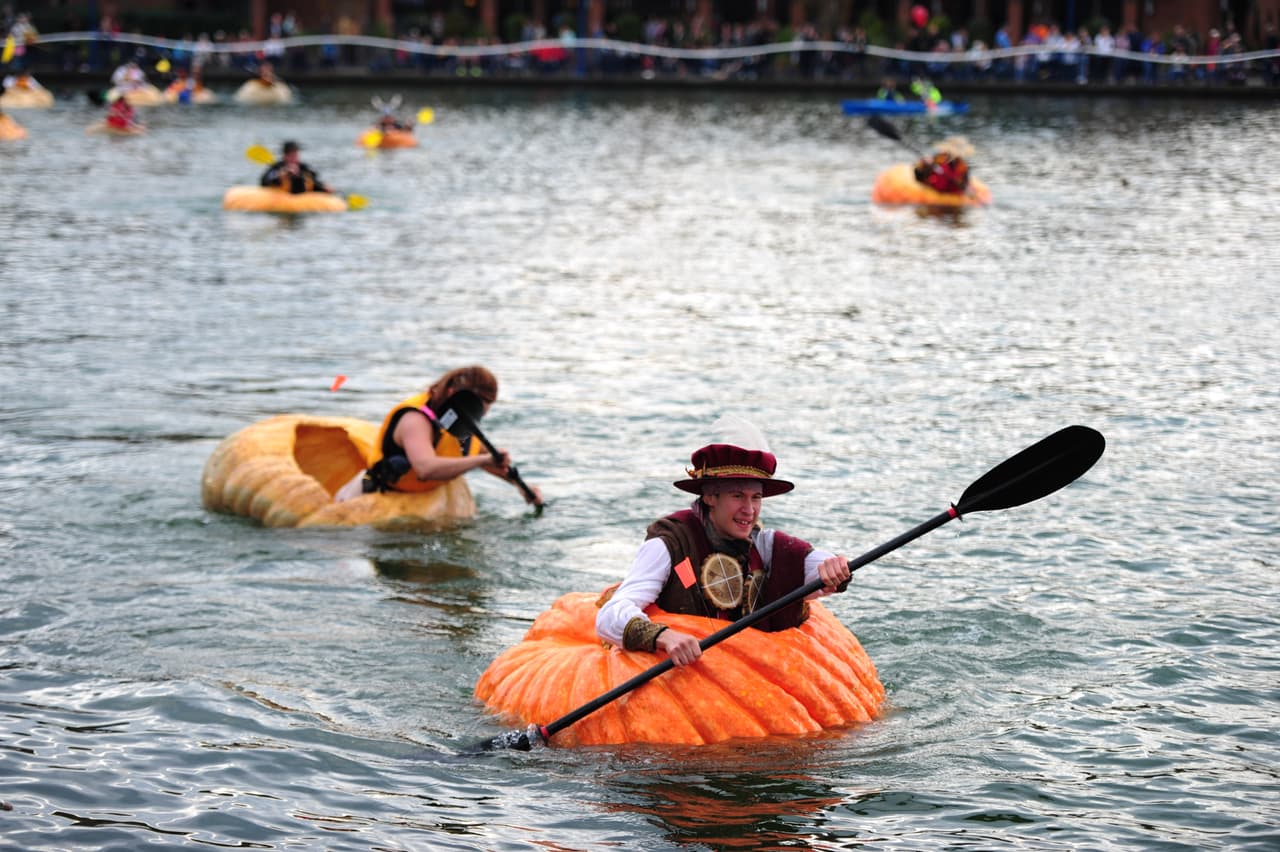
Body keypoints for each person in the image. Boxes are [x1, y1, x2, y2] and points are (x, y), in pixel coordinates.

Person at [595, 418, 851, 667]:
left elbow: (814, 563)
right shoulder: (669, 545)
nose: (749, 510)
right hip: (688, 678)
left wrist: (834, 568)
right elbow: (610, 614)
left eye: (756, 497)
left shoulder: (766, 545)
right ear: (709, 497)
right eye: (738, 496)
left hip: (756, 677)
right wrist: (664, 637)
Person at [335, 365, 543, 505]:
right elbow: (425, 468)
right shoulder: (415, 420)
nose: (484, 412)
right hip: (376, 500)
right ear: (453, 394)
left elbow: (488, 459)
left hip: (426, 500)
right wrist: (483, 458)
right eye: (481, 405)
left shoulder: (461, 422)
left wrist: (520, 486)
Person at [259, 140, 331, 194]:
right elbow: (264, 181)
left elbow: (314, 181)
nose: (293, 159)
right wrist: (280, 175)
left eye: (295, 155)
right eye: (290, 156)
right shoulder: (277, 167)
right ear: (285, 156)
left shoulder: (303, 168)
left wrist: (323, 187)